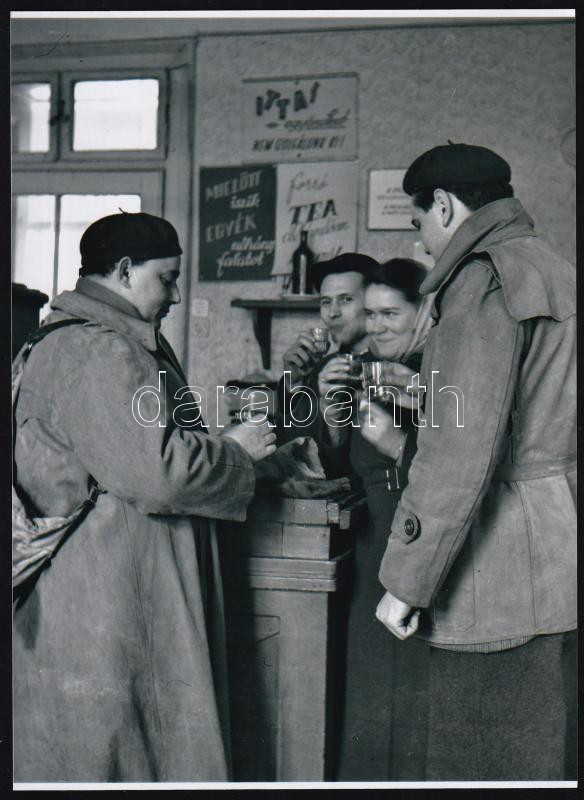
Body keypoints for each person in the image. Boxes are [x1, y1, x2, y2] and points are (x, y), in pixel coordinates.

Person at [13, 212, 277, 782]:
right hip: (104, 593)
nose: (177, 294)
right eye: (169, 277)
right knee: (111, 751)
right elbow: (160, 474)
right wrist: (237, 452)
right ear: (127, 271)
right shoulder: (97, 351)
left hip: (116, 584)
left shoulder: (115, 342)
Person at [371, 143, 576, 780]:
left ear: (443, 205)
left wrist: (406, 579)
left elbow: (459, 453)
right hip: (554, 546)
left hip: (493, 570)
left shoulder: (482, 277)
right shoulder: (551, 265)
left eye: (419, 224)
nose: (423, 242)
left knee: (479, 758)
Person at [317, 259, 433, 780]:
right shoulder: (356, 368)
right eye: (370, 314)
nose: (376, 326)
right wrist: (331, 414)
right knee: (365, 702)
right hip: (369, 558)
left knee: (421, 706)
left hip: (430, 555)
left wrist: (394, 442)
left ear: (424, 313)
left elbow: (468, 474)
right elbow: (336, 470)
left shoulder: (444, 371)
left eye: (391, 314)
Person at [276, 252, 378, 447]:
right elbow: (292, 445)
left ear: (374, 303)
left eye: (346, 299)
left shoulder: (393, 365)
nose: (333, 313)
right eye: (326, 301)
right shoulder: (325, 366)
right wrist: (295, 383)